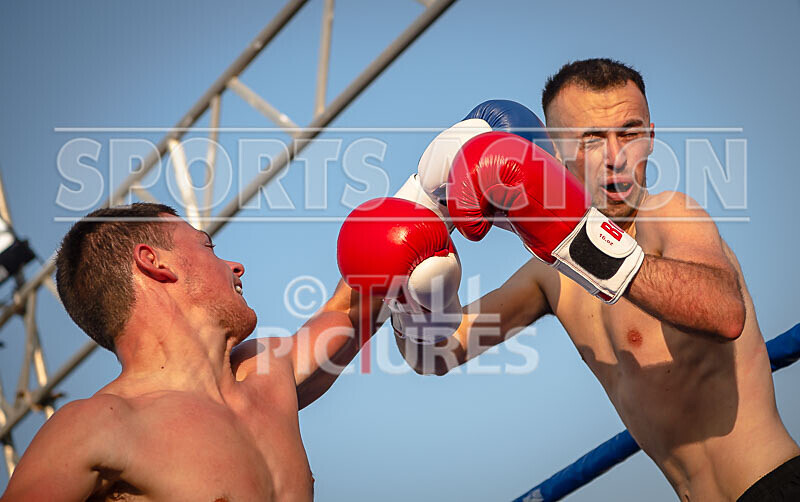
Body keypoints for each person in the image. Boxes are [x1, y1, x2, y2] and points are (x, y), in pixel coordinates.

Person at [398, 59, 800, 501]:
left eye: (629, 132)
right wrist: (421, 233)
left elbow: (724, 312)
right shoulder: (548, 277)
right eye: (591, 138)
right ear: (552, 152)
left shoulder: (668, 214)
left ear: (650, 137)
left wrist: (578, 240)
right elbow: (435, 354)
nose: (616, 157)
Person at [0, 198, 456, 501]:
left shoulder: (265, 373)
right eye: (208, 246)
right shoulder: (95, 426)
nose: (235, 265)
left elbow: (362, 290)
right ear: (152, 262)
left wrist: (436, 195)